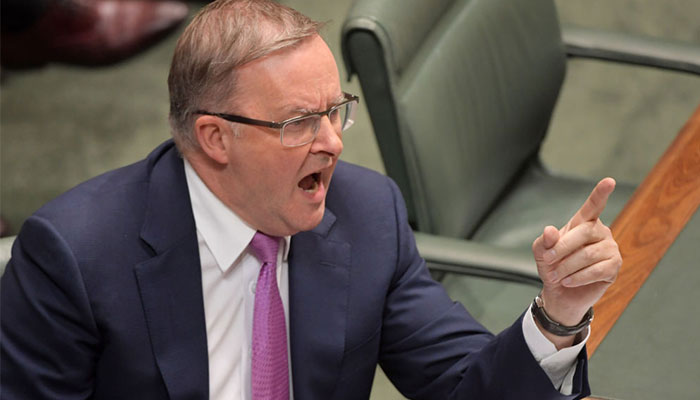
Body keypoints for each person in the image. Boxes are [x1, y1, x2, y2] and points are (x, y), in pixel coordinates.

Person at [0, 1, 621, 399]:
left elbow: (468, 388)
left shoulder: (368, 213)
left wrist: (558, 315)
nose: (333, 144)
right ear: (216, 137)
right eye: (299, 122)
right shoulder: (74, 258)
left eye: (334, 112)